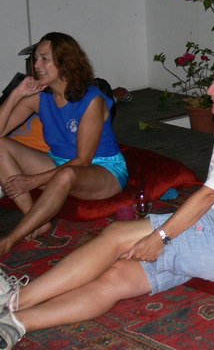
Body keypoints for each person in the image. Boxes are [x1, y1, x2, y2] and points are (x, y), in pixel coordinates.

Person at [0, 53, 214, 349]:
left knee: (117, 234)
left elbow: (210, 195)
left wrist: (160, 237)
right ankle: (14, 324)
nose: (209, 90)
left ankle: (13, 300)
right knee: (118, 277)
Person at [0, 32, 128, 254]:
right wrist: (16, 94)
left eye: (44, 59)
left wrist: (33, 181)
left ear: (65, 62)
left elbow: (83, 160)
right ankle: (36, 221)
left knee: (66, 174)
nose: (36, 65)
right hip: (58, 164)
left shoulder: (92, 100)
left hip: (102, 170)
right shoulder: (40, 96)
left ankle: (11, 239)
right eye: (35, 59)